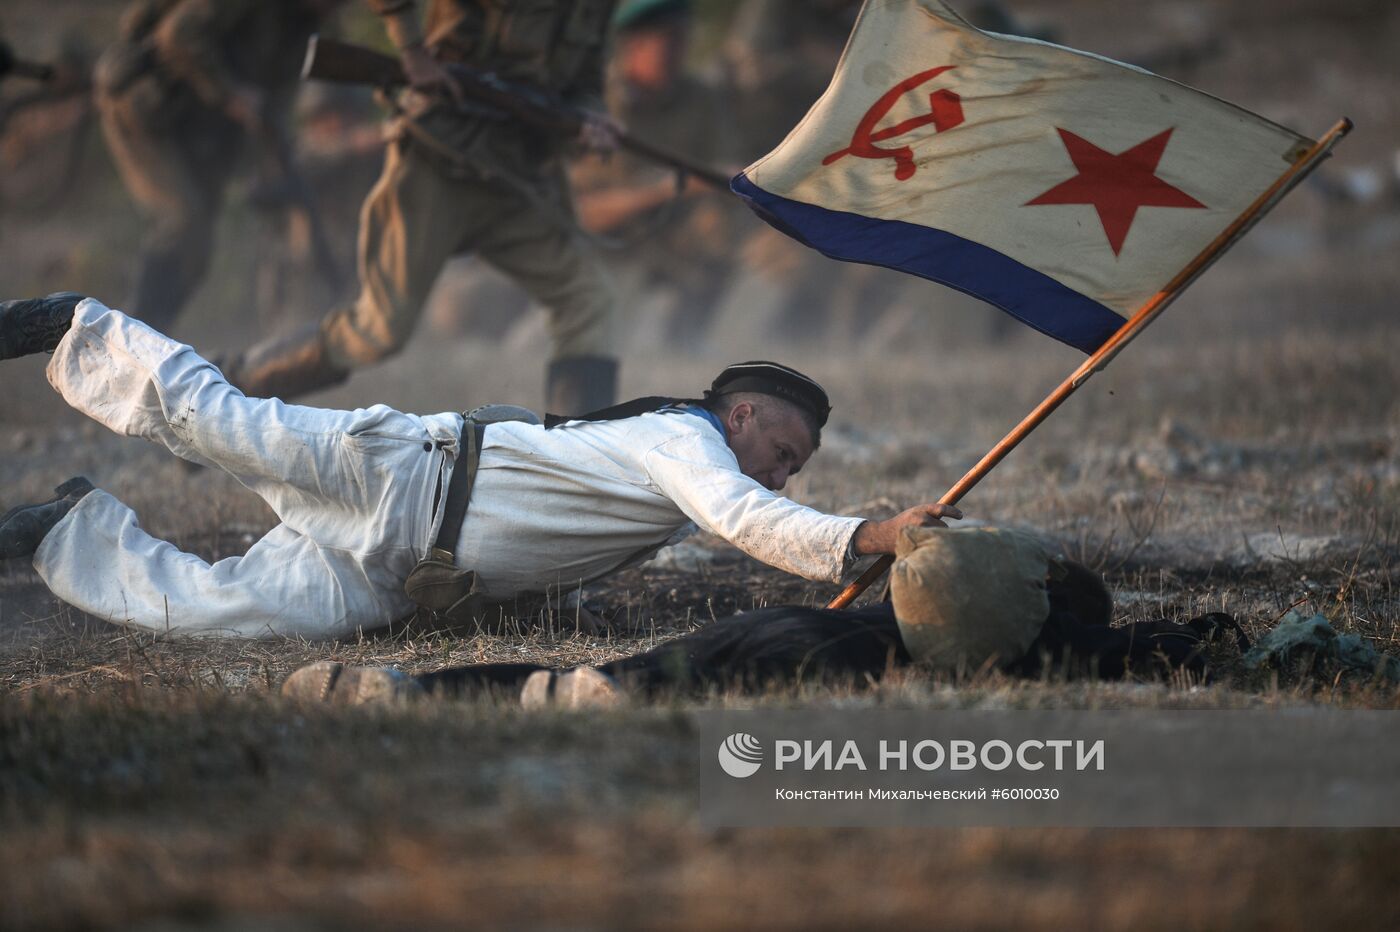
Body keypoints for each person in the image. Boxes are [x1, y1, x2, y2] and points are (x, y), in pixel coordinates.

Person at [0, 293, 960, 639]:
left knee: (215, 617)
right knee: (207, 419)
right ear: (740, 414)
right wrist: (866, 536)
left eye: (794, 470)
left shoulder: (685, 472)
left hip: (403, 573)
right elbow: (750, 523)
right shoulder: (689, 442)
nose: (782, 478)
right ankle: (77, 325)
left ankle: (63, 532)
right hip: (396, 475)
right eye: (783, 454)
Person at [220, 0, 625, 417]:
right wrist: (411, 49)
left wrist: (591, 119)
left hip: (514, 178)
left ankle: (576, 457)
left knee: (588, 299)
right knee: (380, 329)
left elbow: (585, 84)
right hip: (440, 161)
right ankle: (226, 393)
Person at [281, 561, 1247, 707]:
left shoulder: (955, 607)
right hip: (826, 653)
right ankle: (404, 690)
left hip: (791, 623)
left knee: (588, 678)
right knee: (617, 689)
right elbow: (1148, 649)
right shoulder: (1053, 644)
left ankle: (403, 688)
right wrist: (1207, 645)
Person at [94, 0, 350, 334]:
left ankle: (153, 334)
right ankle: (127, 333)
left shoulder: (303, 27)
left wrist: (275, 156)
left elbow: (275, 104)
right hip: (146, 111)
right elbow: (179, 36)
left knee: (198, 247)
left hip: (199, 132)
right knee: (182, 221)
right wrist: (232, 94)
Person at [570, 0, 746, 347]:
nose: (679, 52)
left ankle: (689, 341)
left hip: (672, 248)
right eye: (668, 41)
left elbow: (725, 168)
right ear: (633, 46)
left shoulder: (700, 98)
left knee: (725, 228)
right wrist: (665, 189)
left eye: (683, 39)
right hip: (599, 256)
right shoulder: (593, 102)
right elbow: (578, 212)